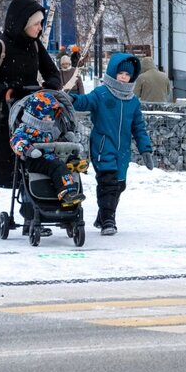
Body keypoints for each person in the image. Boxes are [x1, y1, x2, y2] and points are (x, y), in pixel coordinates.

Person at [0, 0, 62, 234]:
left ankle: (31, 214)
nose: (40, 28)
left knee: (30, 161)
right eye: (36, 23)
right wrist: (4, 91)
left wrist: (48, 88)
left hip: (29, 114)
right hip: (0, 115)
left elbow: (53, 74)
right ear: (22, 23)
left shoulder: (35, 46)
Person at [70, 52, 155, 236]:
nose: (124, 78)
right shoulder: (101, 94)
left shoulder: (133, 101)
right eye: (121, 73)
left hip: (122, 152)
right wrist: (71, 99)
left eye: (127, 75)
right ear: (113, 73)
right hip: (103, 147)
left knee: (119, 185)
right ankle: (109, 220)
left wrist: (145, 149)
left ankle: (102, 216)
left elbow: (138, 127)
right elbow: (85, 102)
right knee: (108, 183)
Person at [10, 90, 85, 207]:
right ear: (36, 114)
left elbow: (56, 140)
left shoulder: (50, 129)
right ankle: (67, 193)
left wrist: (66, 138)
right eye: (47, 116)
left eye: (51, 116)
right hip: (34, 160)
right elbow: (16, 141)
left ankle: (73, 162)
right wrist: (28, 149)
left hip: (51, 156)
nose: (50, 119)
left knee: (65, 156)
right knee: (57, 166)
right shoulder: (25, 128)